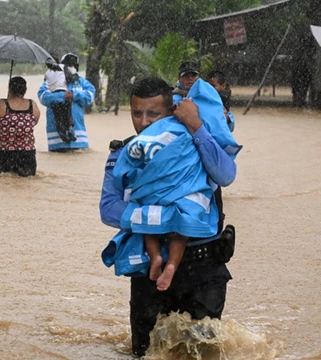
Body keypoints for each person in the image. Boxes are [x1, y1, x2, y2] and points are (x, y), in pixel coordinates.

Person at [100, 77, 239, 357]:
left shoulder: (196, 143)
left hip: (203, 267)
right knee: (146, 352)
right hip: (148, 270)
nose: (144, 122)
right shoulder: (126, 154)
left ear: (171, 112)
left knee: (204, 351)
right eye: (137, 113)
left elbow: (225, 175)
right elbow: (108, 208)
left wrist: (197, 127)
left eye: (153, 114)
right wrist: (165, 217)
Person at [0, 76, 41, 177]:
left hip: (5, 155)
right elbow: (34, 122)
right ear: (25, 90)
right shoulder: (32, 105)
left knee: (5, 185)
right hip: (27, 155)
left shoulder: (1, 104)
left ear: (9, 88)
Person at [38, 53, 95, 152]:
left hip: (79, 139)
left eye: (73, 65)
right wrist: (61, 97)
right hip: (56, 139)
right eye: (68, 64)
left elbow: (90, 95)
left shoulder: (81, 82)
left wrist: (74, 94)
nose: (71, 67)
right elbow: (42, 96)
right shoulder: (51, 81)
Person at [44, 57, 77, 143]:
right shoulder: (62, 67)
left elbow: (46, 83)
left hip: (54, 96)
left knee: (58, 117)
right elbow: (72, 77)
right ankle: (70, 130)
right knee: (68, 114)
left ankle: (62, 133)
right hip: (64, 95)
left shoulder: (47, 73)